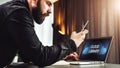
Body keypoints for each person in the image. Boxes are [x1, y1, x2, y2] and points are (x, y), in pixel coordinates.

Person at [0, 0, 88, 67]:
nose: (50, 11)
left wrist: (59, 56)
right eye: (48, 3)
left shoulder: (15, 9)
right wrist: (72, 43)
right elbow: (40, 57)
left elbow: (30, 55)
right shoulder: (19, 13)